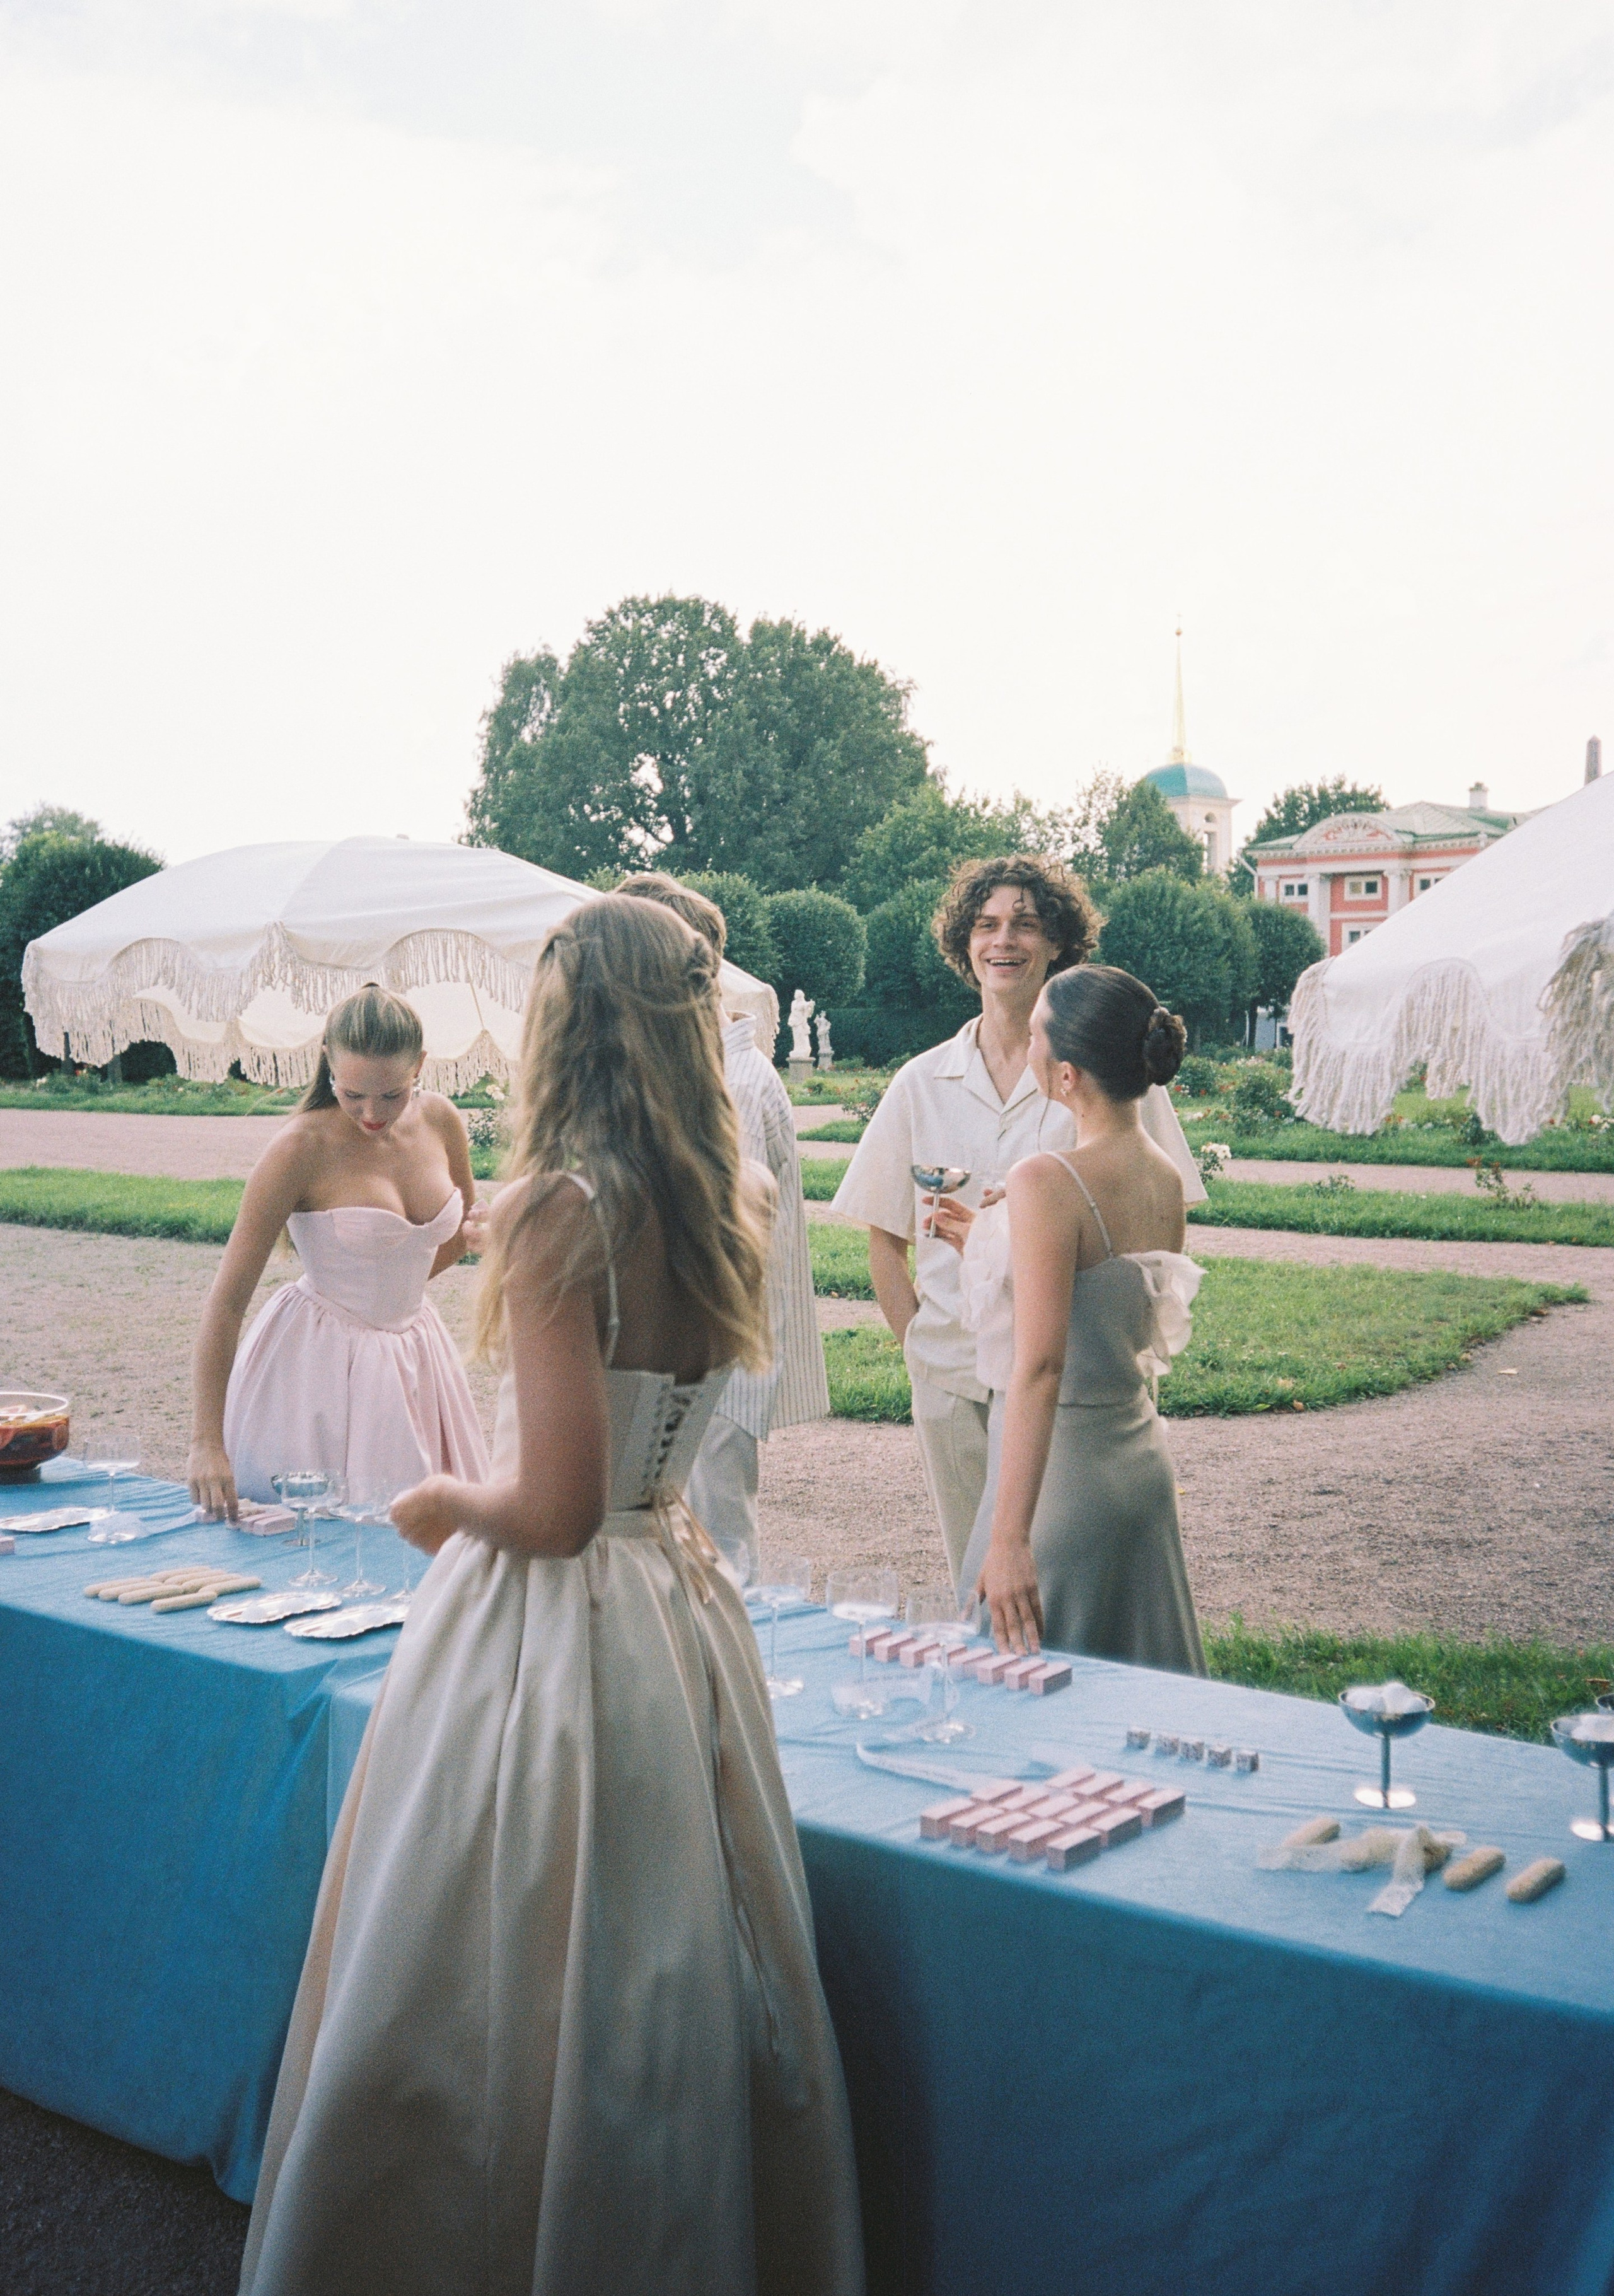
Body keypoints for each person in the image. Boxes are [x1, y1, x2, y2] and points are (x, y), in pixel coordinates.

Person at [238, 898, 864, 2296]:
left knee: (494, 1945)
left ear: (563, 1023)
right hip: (678, 1595)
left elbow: (559, 1508)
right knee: (666, 1932)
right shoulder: (732, 1197)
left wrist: (445, 1501)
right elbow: (642, 1469)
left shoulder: (559, 1213)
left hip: (563, 1619)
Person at [832, 854, 1204, 1590]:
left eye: (1025, 924)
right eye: (986, 924)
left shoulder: (1109, 1074)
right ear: (964, 943)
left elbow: (1157, 1226)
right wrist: (920, 1349)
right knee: (978, 1584)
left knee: (1068, 1587)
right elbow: (884, 1239)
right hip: (952, 1380)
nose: (1003, 940)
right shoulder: (920, 1081)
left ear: (1058, 942)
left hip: (1068, 1390)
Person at [935, 964, 1205, 1673]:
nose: (1026, 1046)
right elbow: (1106, 1306)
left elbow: (1041, 1365)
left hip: (1060, 1478)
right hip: (1136, 1466)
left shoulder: (1044, 1178)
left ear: (1065, 1076)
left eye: (1035, 1035)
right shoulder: (1164, 1176)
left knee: (1014, 1684)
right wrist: (989, 1242)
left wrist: (1009, 1538)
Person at [188, 985, 487, 1518]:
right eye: (353, 1094)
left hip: (420, 1360)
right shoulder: (299, 1148)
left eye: (392, 1095)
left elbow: (463, 1231)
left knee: (438, 1537)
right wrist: (206, 1443)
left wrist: (398, 1291)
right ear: (328, 1060)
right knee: (321, 1540)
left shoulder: (442, 1120)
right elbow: (227, 1301)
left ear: (420, 1066)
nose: (372, 1113)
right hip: (318, 1371)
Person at [615, 871, 830, 1582]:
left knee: (717, 1554)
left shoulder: (730, 1082)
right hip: (695, 1354)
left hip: (711, 1362)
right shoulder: (697, 1068)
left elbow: (720, 1238)